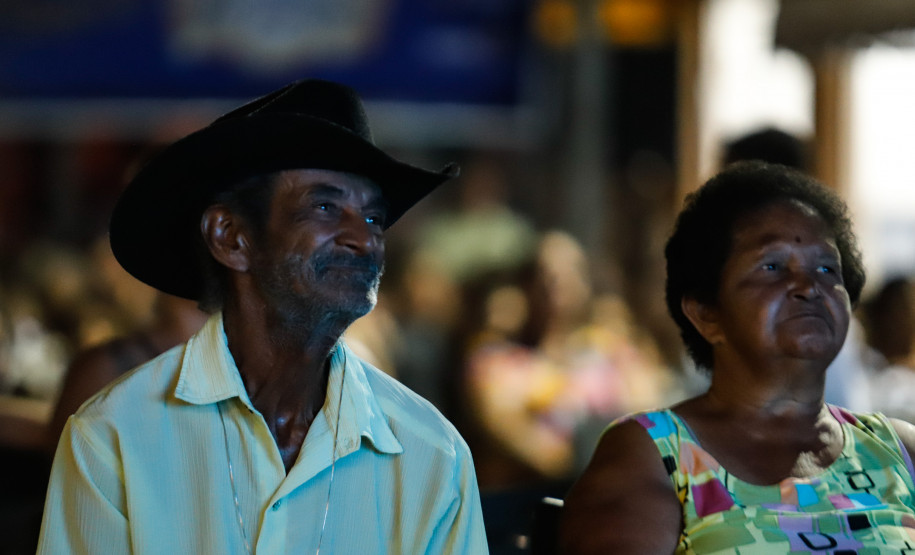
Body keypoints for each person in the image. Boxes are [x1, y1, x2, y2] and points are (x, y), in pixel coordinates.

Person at [38, 79, 487, 554]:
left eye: (375, 218)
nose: (365, 239)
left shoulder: (433, 455)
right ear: (230, 237)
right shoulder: (115, 437)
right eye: (325, 206)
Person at [560, 161, 915, 553]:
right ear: (706, 314)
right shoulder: (653, 455)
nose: (809, 286)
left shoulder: (898, 451)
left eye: (827, 267)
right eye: (773, 266)